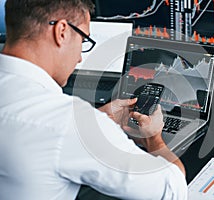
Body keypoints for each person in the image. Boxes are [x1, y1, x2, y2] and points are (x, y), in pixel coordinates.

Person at [0, 0, 188, 200]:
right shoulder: (69, 122)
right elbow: (172, 188)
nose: (80, 58)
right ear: (61, 31)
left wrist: (99, 118)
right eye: (83, 41)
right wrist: (153, 138)